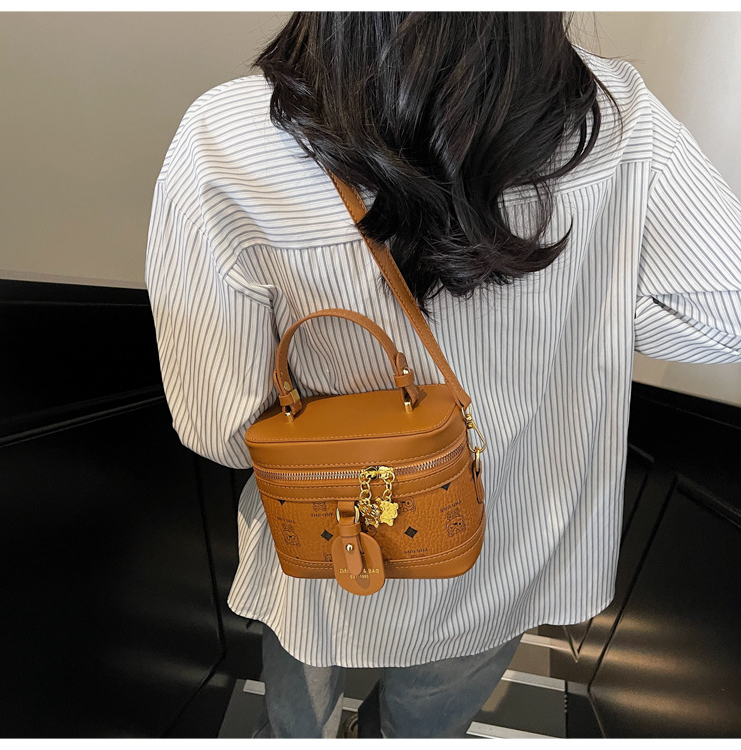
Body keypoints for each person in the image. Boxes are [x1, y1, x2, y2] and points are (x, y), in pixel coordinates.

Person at [145, 12, 741, 738]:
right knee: (426, 729)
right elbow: (727, 314)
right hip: (501, 542)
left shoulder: (228, 137)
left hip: (332, 534)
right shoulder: (613, 116)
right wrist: (586, 313)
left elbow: (219, 428)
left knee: (300, 709)